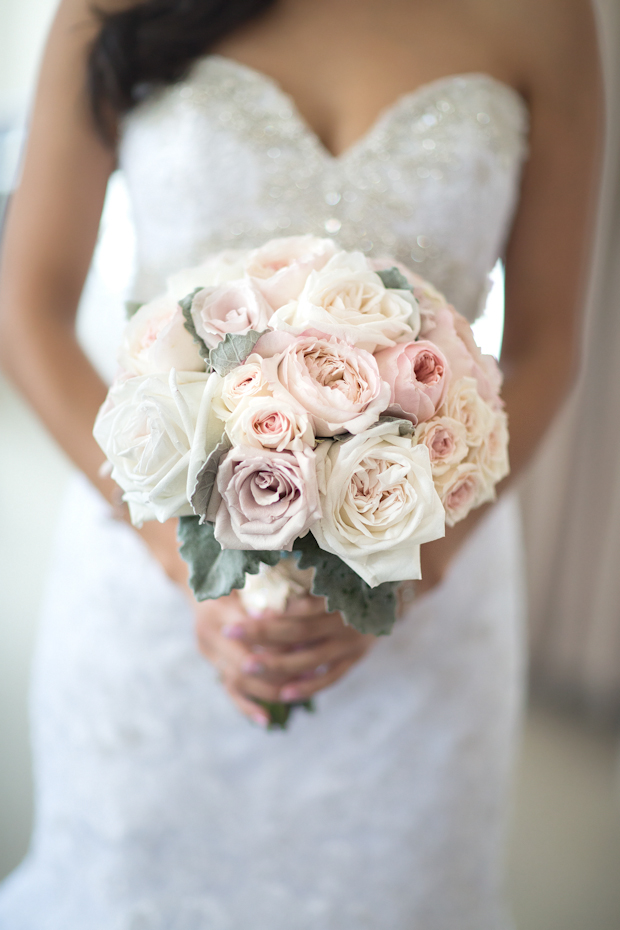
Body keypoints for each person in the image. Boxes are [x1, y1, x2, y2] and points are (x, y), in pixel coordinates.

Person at [0, 0, 601, 927]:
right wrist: (174, 548)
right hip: (153, 593)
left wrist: (415, 571)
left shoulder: (550, 18)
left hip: (424, 579)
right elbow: (28, 302)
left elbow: (549, 342)